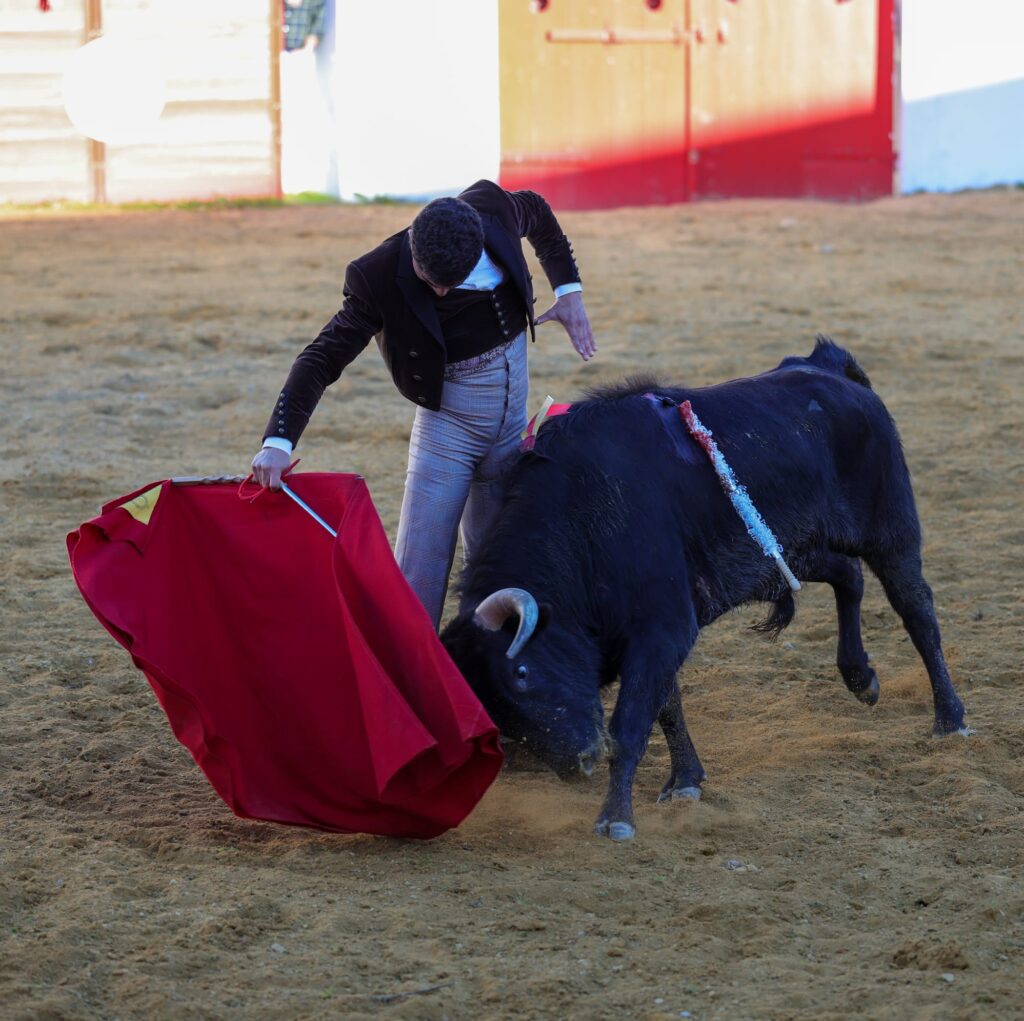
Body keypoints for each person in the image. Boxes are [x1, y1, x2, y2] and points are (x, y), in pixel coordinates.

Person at [250, 180, 595, 628]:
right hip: (447, 431)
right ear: (414, 242)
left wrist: (568, 290)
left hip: (511, 427)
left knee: (498, 568)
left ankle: (486, 668)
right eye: (430, 281)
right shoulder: (376, 276)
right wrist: (278, 441)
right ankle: (409, 670)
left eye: (452, 283)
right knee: (419, 572)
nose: (441, 294)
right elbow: (321, 357)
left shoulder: (496, 210)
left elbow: (539, 212)